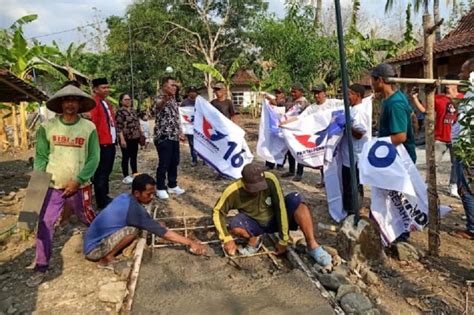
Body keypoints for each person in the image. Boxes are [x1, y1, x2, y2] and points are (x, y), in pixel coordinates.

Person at [27, 83, 100, 287]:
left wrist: (78, 180)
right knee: (45, 223)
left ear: (79, 104)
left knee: (87, 218)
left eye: (74, 100)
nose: (70, 104)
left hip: (80, 185)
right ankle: (41, 265)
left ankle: (106, 243)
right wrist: (37, 185)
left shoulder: (88, 128)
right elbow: (41, 157)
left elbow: (94, 158)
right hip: (53, 185)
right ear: (60, 104)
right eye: (66, 100)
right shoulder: (47, 127)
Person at [213, 163, 332, 268]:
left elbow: (280, 208)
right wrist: (226, 238)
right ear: (243, 182)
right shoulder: (233, 190)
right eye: (253, 189)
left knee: (297, 201)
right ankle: (255, 239)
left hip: (274, 219)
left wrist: (283, 240)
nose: (258, 191)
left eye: (260, 187)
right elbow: (218, 212)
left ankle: (312, 245)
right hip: (254, 223)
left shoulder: (270, 179)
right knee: (234, 225)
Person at [84, 174, 204, 266]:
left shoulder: (124, 197)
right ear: (137, 193)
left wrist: (153, 223)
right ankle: (107, 258)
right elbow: (165, 234)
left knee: (139, 226)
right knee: (133, 230)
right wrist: (189, 242)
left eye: (153, 193)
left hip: (91, 241)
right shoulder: (134, 211)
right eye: (148, 194)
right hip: (94, 249)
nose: (151, 197)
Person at [371, 63, 416, 242]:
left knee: (398, 197)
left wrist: (376, 144)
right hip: (393, 157)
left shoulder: (395, 103)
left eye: (372, 79)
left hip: (398, 158)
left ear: (380, 80)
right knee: (391, 196)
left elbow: (400, 136)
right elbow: (414, 121)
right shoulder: (393, 99)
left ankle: (401, 235)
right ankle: (390, 230)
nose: (371, 83)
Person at [340, 84, 371, 214]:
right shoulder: (352, 109)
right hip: (349, 155)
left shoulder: (359, 111)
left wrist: (346, 125)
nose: (347, 97)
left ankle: (354, 210)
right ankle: (350, 209)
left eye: (350, 94)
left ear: (357, 96)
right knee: (348, 184)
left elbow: (359, 134)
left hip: (356, 156)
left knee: (354, 184)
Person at [452, 58, 474, 240]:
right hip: (465, 147)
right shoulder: (469, 95)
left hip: (467, 150)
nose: (460, 75)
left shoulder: (472, 94)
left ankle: (472, 228)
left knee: (466, 187)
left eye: (463, 72)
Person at [153, 76, 186, 200]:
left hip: (174, 136)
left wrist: (180, 132)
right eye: (172, 85)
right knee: (164, 163)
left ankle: (172, 185)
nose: (175, 87)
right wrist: (165, 99)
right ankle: (160, 187)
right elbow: (158, 107)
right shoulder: (159, 97)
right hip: (163, 136)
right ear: (164, 86)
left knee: (174, 161)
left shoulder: (173, 100)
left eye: (175, 85)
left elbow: (176, 119)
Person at [89, 77, 116, 209]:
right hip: (101, 142)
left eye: (107, 87)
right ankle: (101, 200)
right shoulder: (94, 102)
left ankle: (104, 195)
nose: (106, 90)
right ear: (95, 89)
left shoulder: (106, 103)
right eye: (103, 88)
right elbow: (93, 122)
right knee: (101, 172)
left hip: (110, 141)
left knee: (107, 170)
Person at [281, 83, 309, 182]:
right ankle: (291, 170)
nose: (293, 93)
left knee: (299, 151)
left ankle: (299, 173)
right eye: (292, 91)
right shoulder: (290, 100)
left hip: (300, 129)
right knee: (290, 151)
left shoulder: (302, 102)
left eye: (295, 91)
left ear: (300, 92)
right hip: (290, 129)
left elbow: (295, 114)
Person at [116, 93, 143, 185]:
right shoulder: (120, 112)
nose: (128, 101)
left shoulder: (133, 110)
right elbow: (118, 127)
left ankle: (135, 172)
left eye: (129, 99)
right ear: (121, 101)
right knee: (126, 156)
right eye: (125, 99)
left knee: (134, 156)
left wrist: (141, 133)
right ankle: (126, 175)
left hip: (135, 137)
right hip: (125, 138)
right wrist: (122, 139)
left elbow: (137, 123)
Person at [264, 87, 288, 170]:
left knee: (282, 147)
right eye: (276, 93)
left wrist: (270, 100)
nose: (277, 94)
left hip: (282, 128)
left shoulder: (285, 102)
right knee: (271, 146)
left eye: (279, 93)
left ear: (283, 94)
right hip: (273, 128)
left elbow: (280, 106)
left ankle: (280, 165)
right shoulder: (271, 103)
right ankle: (270, 164)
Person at [181, 86, 199, 166]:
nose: (193, 93)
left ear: (196, 93)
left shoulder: (200, 102)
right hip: (189, 127)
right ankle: (194, 159)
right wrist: (182, 130)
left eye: (194, 91)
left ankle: (205, 161)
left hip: (199, 127)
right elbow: (181, 116)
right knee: (192, 144)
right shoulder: (184, 103)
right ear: (188, 93)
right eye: (191, 91)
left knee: (203, 143)